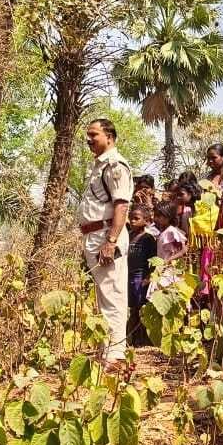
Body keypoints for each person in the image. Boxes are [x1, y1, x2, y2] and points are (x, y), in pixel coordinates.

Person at [78, 119, 133, 366]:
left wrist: (110, 240)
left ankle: (115, 355)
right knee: (103, 296)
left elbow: (122, 204)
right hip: (94, 236)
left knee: (113, 294)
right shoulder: (98, 167)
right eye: (88, 135)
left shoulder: (115, 165)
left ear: (109, 136)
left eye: (94, 135)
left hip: (105, 235)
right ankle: (107, 350)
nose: (89, 139)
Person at [126, 204, 158, 346]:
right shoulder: (128, 236)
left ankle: (141, 339)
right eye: (130, 218)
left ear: (145, 221)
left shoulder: (148, 239)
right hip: (128, 276)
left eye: (136, 218)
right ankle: (130, 338)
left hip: (141, 277)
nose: (132, 221)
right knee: (132, 308)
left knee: (141, 308)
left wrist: (148, 278)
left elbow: (153, 260)